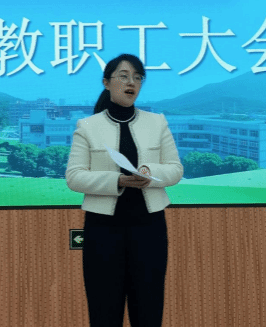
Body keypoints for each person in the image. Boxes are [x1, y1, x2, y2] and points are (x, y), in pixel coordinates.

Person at [66, 53, 183, 327]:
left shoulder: (157, 122)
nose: (131, 82)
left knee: (148, 310)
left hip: (150, 228)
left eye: (138, 77)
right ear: (106, 82)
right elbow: (74, 177)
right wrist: (118, 180)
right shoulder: (88, 127)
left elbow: (175, 169)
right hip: (103, 230)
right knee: (104, 310)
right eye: (124, 76)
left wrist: (149, 173)